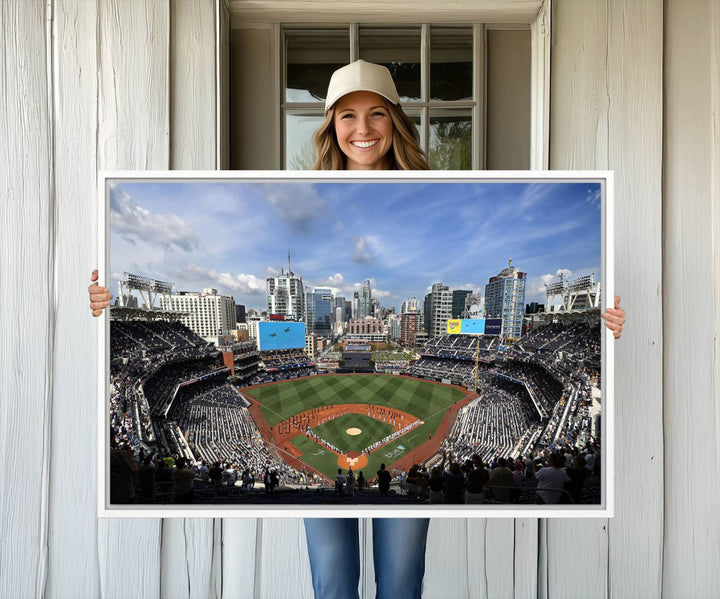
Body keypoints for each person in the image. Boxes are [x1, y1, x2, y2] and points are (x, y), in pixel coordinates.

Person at [88, 59, 626, 599]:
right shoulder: (301, 187)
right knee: (333, 581)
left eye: (376, 114)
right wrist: (104, 306)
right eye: (347, 116)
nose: (362, 129)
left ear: (395, 121)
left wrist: (601, 325)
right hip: (345, 476)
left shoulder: (440, 189)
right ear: (330, 127)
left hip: (397, 486)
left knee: (400, 580)